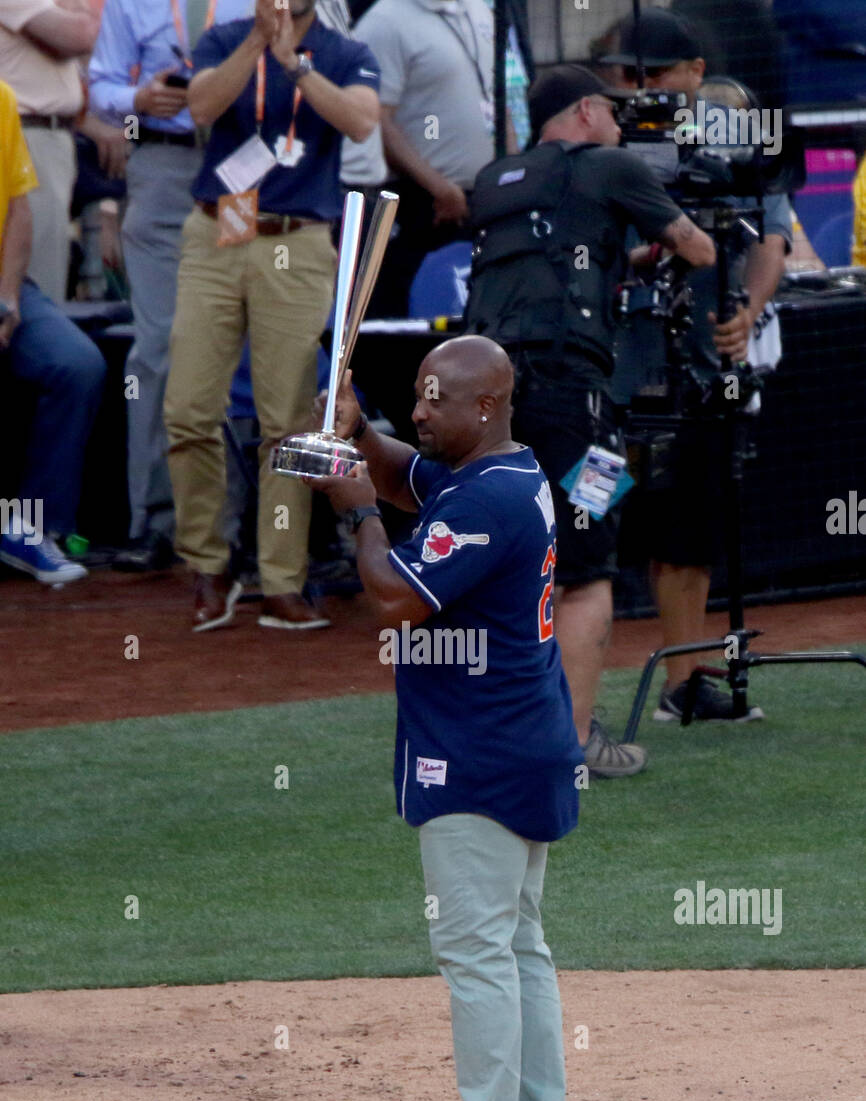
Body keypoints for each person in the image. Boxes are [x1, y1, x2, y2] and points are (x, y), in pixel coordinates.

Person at [308, 336, 582, 1101]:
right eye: (416, 397)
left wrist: (354, 511)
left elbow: (392, 598)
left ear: (487, 406)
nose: (421, 411)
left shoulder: (486, 503)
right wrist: (362, 433)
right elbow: (401, 472)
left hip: (478, 757)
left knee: (476, 954)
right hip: (522, 740)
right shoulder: (500, 473)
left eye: (435, 399)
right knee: (518, 946)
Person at [464, 64, 716, 775]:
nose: (619, 121)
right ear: (582, 113)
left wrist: (619, 253)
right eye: (610, 108)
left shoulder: (500, 177)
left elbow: (549, 260)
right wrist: (666, 238)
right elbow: (698, 246)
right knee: (586, 571)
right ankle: (569, 747)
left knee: (504, 568)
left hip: (477, 398)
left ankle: (504, 732)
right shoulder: (610, 163)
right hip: (575, 398)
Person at [163, 0, 380, 633]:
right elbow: (200, 108)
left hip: (299, 236)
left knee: (286, 420)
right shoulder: (225, 37)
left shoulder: (347, 52)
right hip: (216, 231)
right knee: (187, 409)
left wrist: (295, 65)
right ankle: (209, 565)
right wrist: (258, 46)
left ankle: (282, 579)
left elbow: (363, 124)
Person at [602, 9, 793, 721]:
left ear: (696, 75)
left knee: (697, 519)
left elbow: (771, 233)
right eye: (635, 77)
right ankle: (556, 684)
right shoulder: (610, 145)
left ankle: (685, 680)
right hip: (623, 369)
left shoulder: (737, 143)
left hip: (707, 364)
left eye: (660, 76)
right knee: (594, 512)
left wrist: (749, 309)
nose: (647, 89)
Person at [89, 0, 254, 573]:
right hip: (162, 164)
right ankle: (157, 524)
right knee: (159, 348)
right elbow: (99, 87)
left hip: (241, 167)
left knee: (233, 343)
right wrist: (137, 101)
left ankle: (229, 526)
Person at [0, 77, 105, 584]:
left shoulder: (2, 98)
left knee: (76, 363)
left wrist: (7, 299)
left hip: (6, 283)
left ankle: (28, 527)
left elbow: (18, 211)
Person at [354, 0, 495, 316]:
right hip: (420, 205)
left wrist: (507, 172)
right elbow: (373, 118)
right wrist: (437, 186)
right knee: (409, 317)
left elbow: (496, 99)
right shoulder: (385, 21)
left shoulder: (480, 11)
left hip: (482, 203)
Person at [0, 0, 99, 304]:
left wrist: (124, 132)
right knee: (43, 277)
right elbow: (84, 35)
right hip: (35, 135)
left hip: (93, 142)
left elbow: (110, 90)